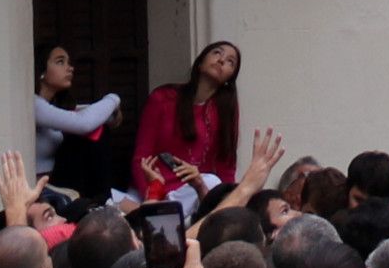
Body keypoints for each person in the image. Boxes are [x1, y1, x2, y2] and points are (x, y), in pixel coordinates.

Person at [134, 40, 242, 204]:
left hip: (195, 193)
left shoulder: (225, 111)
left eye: (230, 62)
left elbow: (226, 168)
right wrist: (152, 196)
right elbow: (140, 159)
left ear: (229, 79)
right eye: (217, 53)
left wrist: (226, 203)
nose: (221, 60)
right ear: (200, 63)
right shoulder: (162, 98)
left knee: (213, 183)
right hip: (156, 190)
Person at [30, 45, 125, 199]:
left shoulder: (53, 106)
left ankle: (106, 200)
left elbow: (94, 115)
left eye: (69, 62)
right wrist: (113, 98)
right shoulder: (34, 104)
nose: (70, 68)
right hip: (44, 191)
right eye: (60, 62)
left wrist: (110, 112)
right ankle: (103, 200)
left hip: (60, 186)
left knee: (129, 204)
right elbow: (84, 123)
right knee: (90, 132)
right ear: (41, 71)